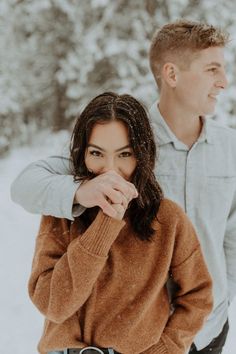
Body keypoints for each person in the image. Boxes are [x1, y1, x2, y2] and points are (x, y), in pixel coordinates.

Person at [11, 20, 236, 353]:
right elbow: (26, 185)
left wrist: (222, 297)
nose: (224, 81)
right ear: (171, 75)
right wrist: (79, 193)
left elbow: (231, 233)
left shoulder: (231, 148)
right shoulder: (123, 139)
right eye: (212, 69)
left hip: (206, 330)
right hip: (129, 332)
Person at [27, 92, 212, 354]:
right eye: (97, 153)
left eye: (124, 154)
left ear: (142, 155)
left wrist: (166, 348)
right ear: (82, 154)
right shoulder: (62, 213)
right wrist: (103, 226)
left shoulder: (168, 219)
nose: (110, 170)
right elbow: (53, 304)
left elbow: (198, 298)